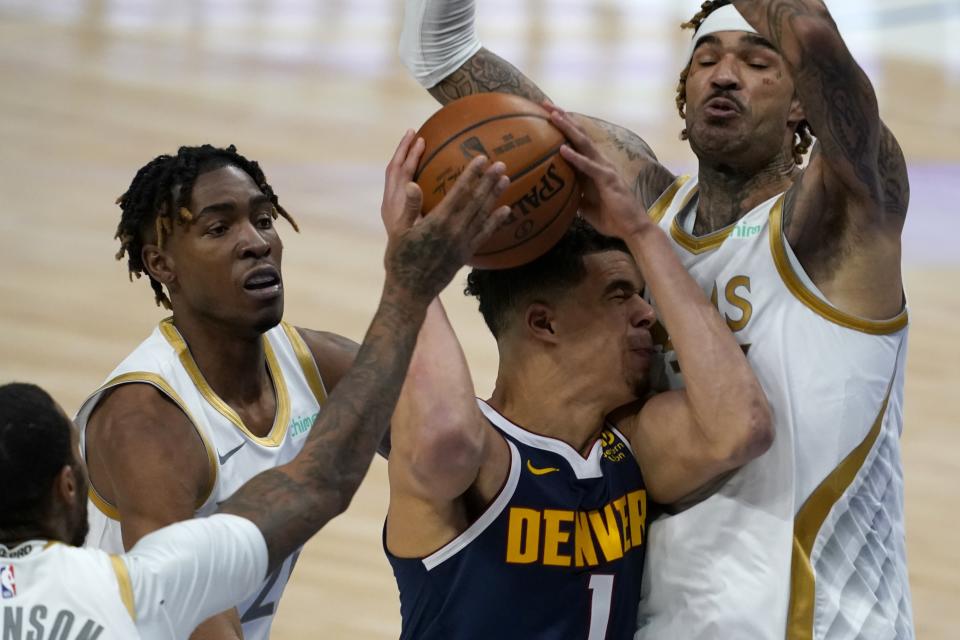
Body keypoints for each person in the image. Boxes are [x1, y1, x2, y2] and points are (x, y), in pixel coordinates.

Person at [398, 0, 913, 637]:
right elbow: (439, 52)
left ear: (803, 102)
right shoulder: (642, 208)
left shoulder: (840, 219)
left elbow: (828, 65)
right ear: (683, 88)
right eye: (707, 59)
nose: (725, 75)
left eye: (757, 62)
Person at [0, 132, 512, 639]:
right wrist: (409, 285)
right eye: (219, 228)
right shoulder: (146, 422)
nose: (256, 242)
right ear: (162, 264)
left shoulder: (316, 363)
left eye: (264, 219)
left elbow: (459, 450)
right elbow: (192, 618)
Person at [383, 105, 773, 636]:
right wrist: (412, 272)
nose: (648, 315)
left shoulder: (629, 448)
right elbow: (446, 441)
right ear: (543, 323)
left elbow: (741, 427)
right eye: (620, 295)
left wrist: (639, 230)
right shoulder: (482, 455)